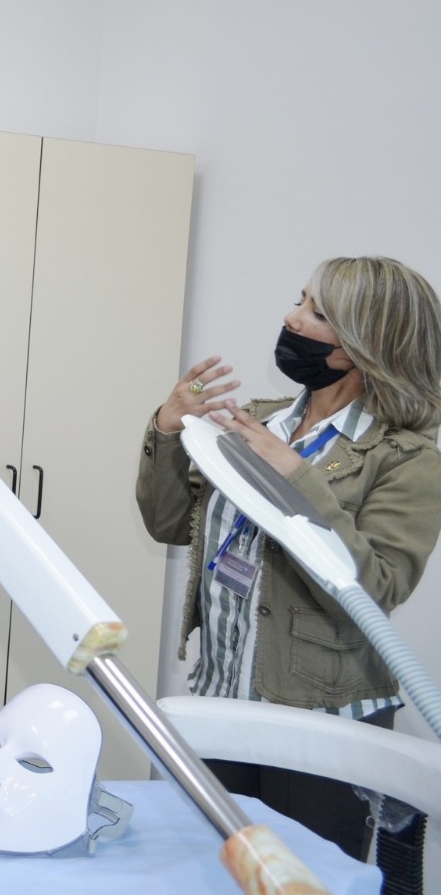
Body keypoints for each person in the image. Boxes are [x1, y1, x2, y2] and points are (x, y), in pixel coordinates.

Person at [136, 255, 441, 859]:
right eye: (300, 300)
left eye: (317, 313)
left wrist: (299, 479)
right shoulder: (256, 423)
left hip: (324, 724)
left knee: (309, 878)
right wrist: (168, 431)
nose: (291, 318)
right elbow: (169, 523)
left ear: (363, 343)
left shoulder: (407, 459)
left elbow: (376, 589)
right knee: (213, 872)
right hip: (221, 704)